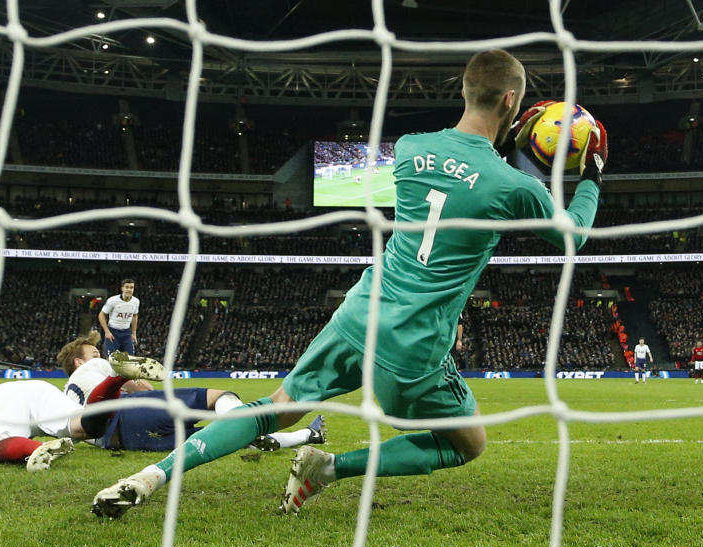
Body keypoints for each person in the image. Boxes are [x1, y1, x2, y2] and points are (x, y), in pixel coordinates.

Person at [91, 48, 607, 519]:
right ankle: (329, 469)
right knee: (468, 443)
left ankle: (152, 476)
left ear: (466, 91)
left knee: (273, 409)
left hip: (360, 312)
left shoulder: (408, 149)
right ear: (513, 100)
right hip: (413, 342)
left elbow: (448, 173)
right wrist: (591, 174)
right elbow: (574, 236)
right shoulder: (513, 186)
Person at [56, 332, 326, 453]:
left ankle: (308, 435)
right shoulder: (95, 366)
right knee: (218, 397)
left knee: (222, 440)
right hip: (133, 413)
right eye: (93, 353)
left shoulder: (64, 396)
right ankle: (247, 424)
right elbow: (146, 386)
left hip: (124, 441)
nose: (99, 354)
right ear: (80, 362)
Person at [98, 279, 139, 356]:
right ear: (122, 288)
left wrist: (134, 333)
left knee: (129, 359)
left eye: (131, 287)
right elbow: (101, 315)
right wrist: (107, 331)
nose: (129, 289)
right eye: (127, 287)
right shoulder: (112, 300)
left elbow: (135, 315)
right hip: (113, 332)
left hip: (126, 333)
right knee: (111, 359)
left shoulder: (136, 302)